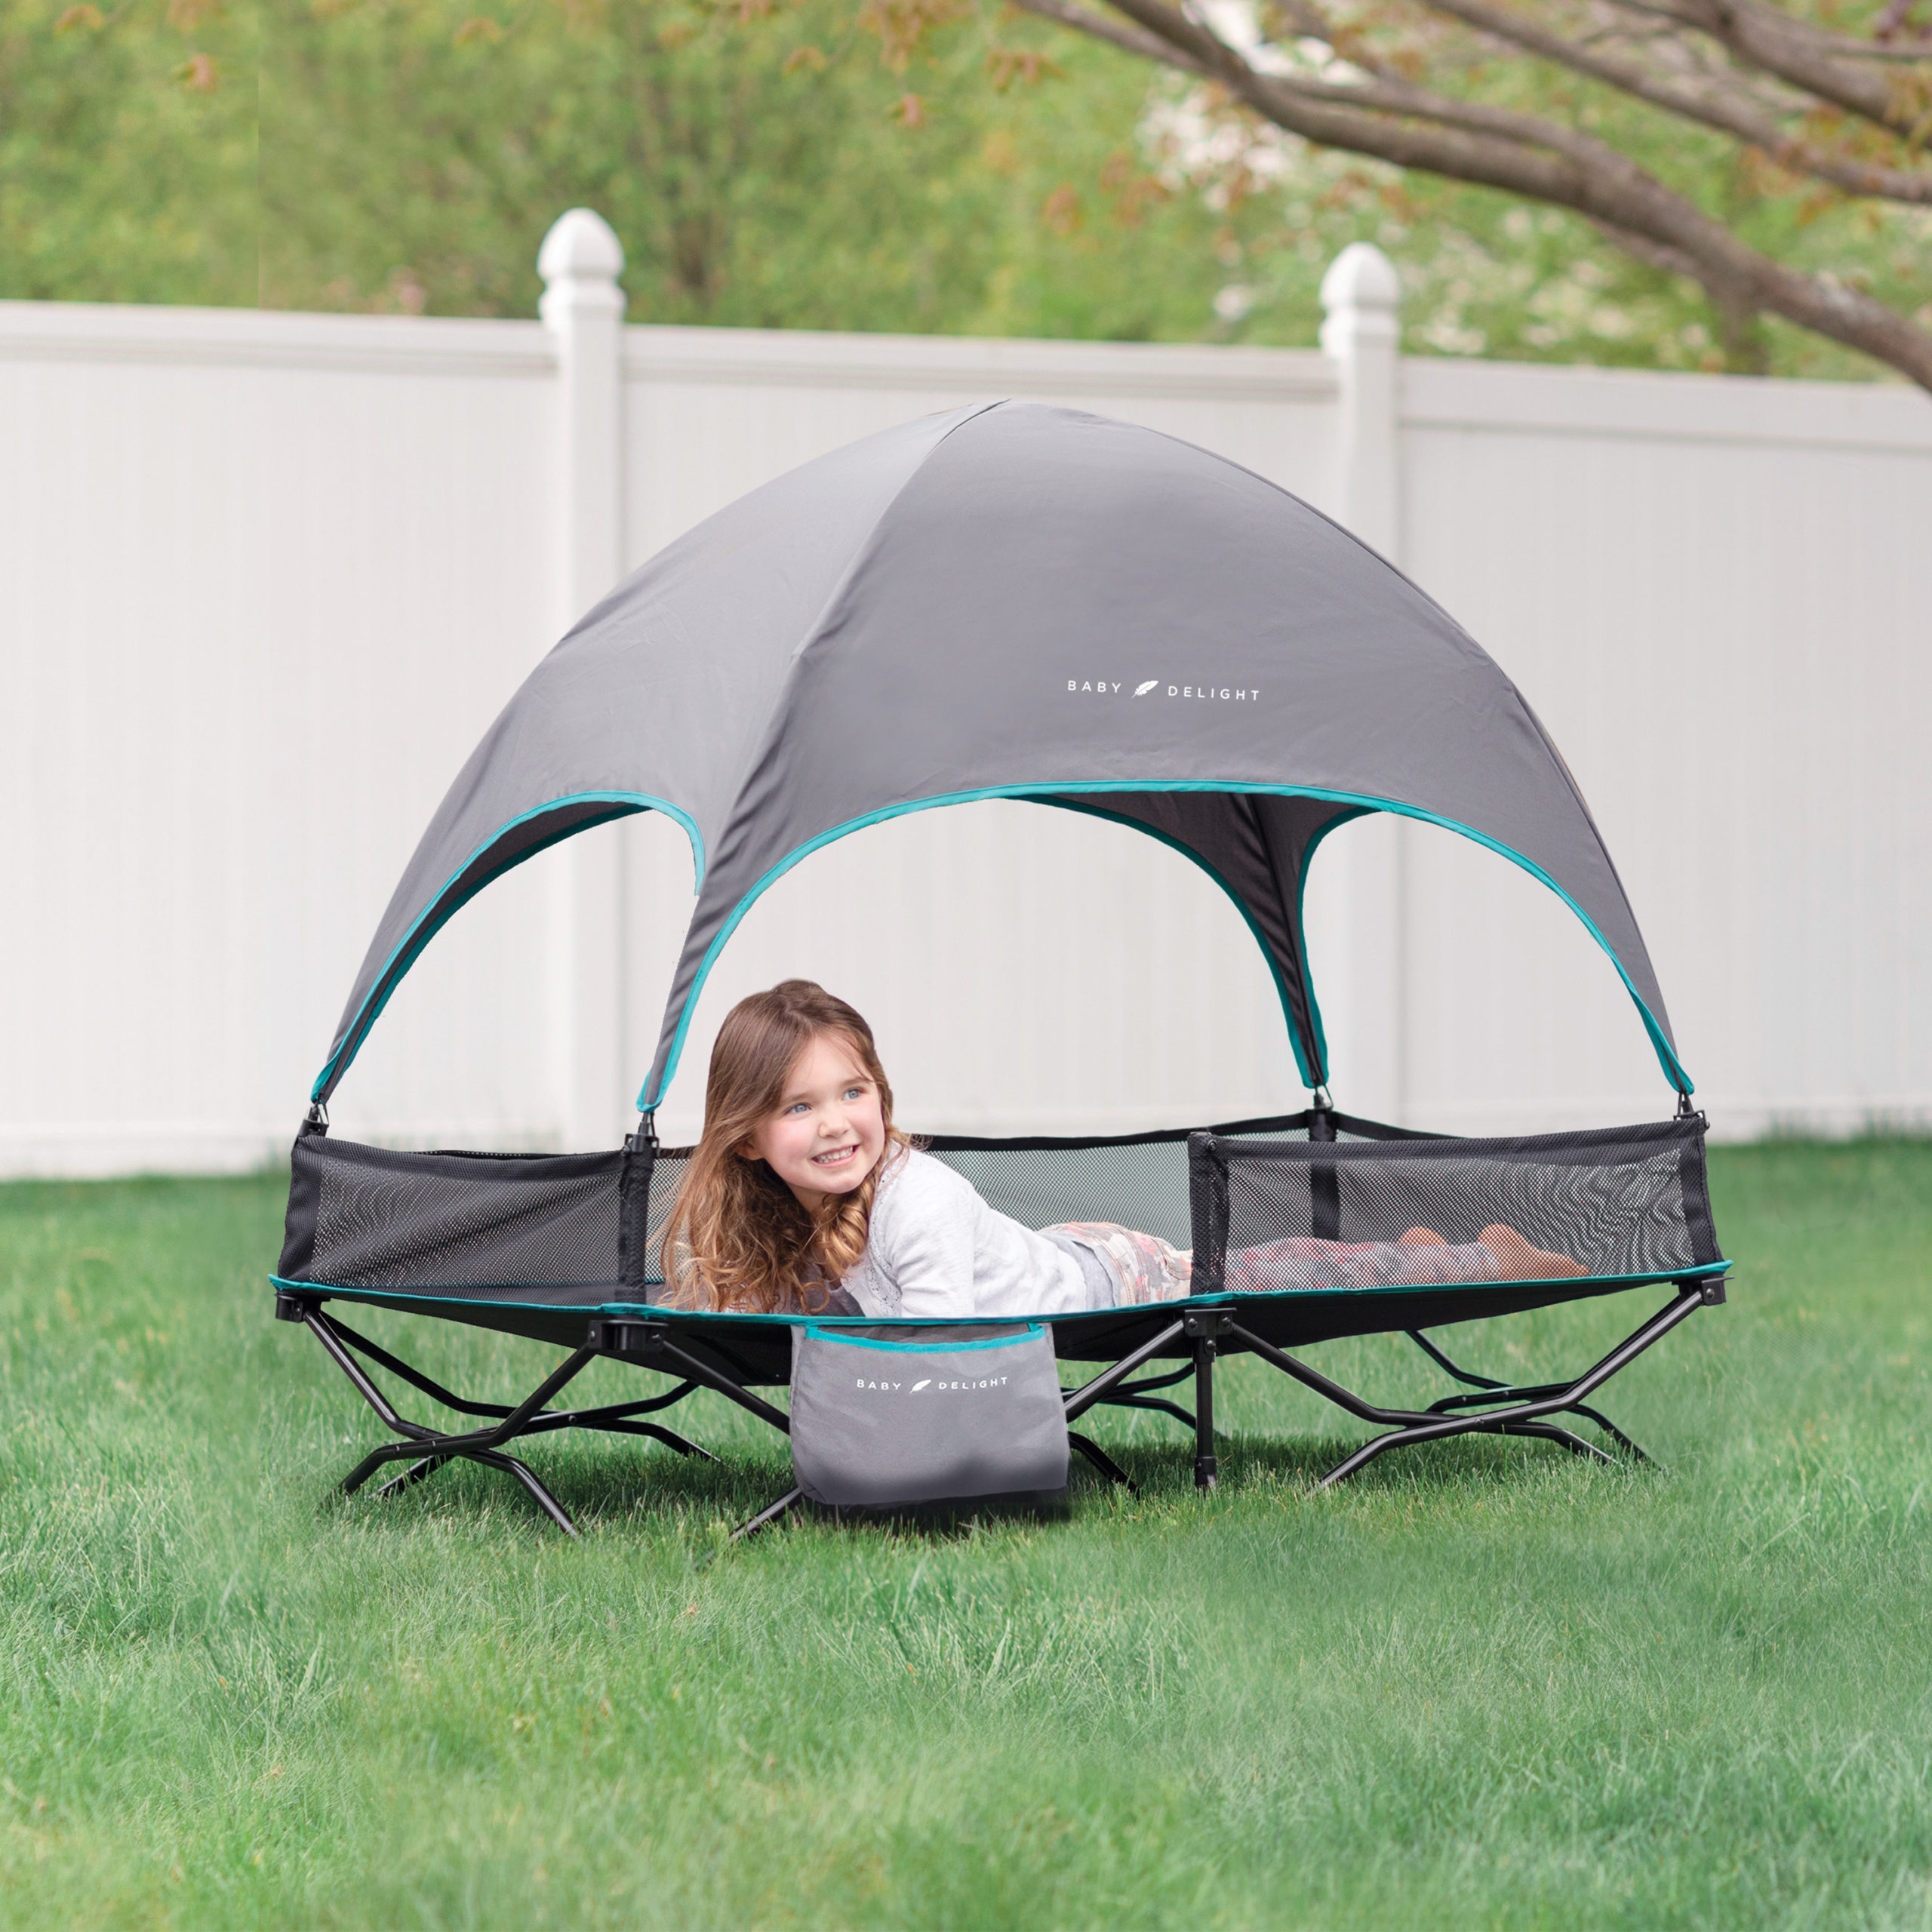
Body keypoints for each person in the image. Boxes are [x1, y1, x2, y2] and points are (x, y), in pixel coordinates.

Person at [661, 980, 1584, 1318]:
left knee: (1264, 1277)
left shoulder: (918, 1199)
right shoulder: (781, 1203)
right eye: (799, 1106)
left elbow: (932, 1346)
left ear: (880, 1093)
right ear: (746, 1136)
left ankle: (1469, 1256)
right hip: (1051, 1258)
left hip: (1110, 1281)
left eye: (852, 1092)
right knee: (1269, 1266)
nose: (834, 1124)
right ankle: (1410, 1255)